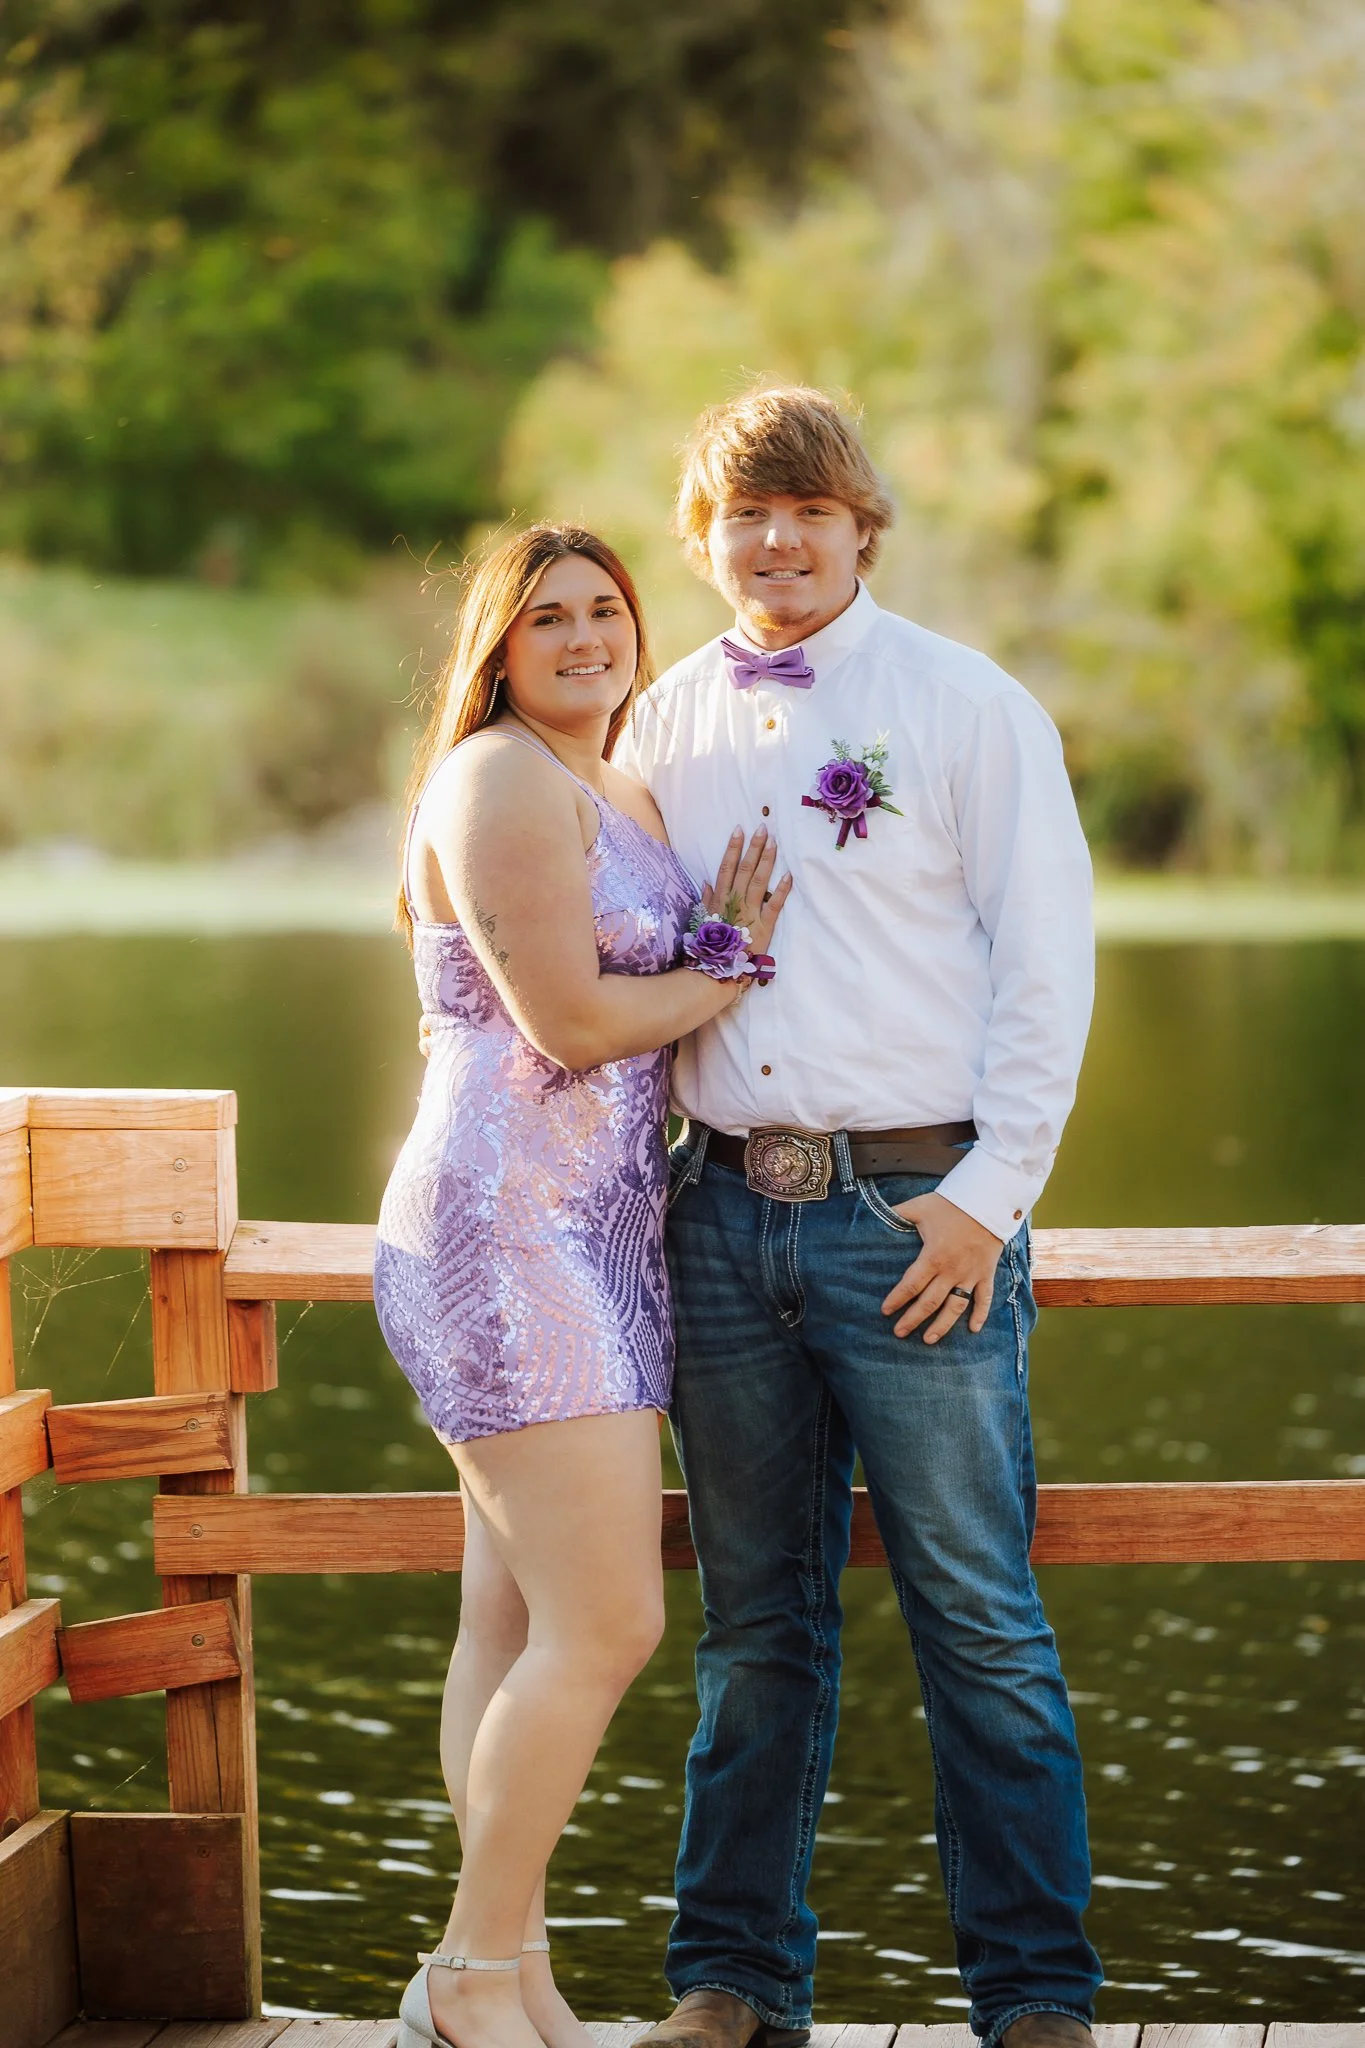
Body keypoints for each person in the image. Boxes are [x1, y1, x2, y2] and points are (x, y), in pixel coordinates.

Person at [613, 386, 1103, 2048]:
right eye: (745, 516)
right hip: (723, 1222)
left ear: (861, 524)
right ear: (705, 540)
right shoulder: (657, 725)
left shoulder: (969, 706)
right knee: (757, 1630)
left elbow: (1048, 967)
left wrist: (986, 1201)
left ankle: (1035, 1999)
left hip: (917, 1219)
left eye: (808, 511)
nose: (777, 541)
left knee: (977, 1612)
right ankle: (733, 1983)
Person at [373, 523, 790, 2048]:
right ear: (499, 646)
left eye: (606, 610)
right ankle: (474, 1970)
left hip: (602, 1223)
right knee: (606, 1626)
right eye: (546, 617)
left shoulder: (614, 781)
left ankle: (509, 1969)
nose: (583, 637)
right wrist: (732, 960)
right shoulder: (494, 775)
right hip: (507, 1226)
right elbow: (563, 1022)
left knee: (512, 1616)